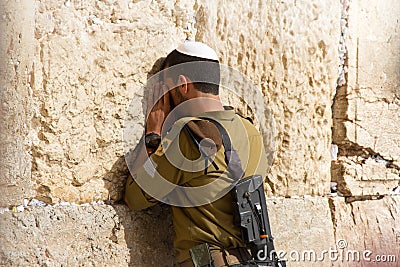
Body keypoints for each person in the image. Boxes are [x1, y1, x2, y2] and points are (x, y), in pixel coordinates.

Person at [124, 41, 268, 267]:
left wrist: (153, 135)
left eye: (165, 88)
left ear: (182, 85)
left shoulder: (189, 135)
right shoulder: (250, 130)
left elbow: (135, 197)